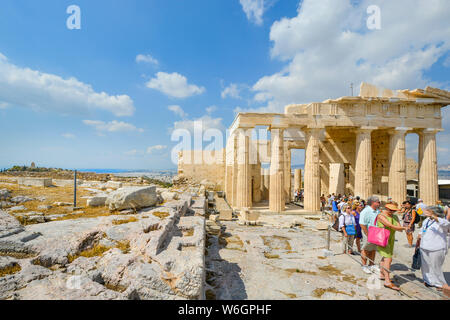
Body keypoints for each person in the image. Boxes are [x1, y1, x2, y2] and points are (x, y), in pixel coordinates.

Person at [416, 206, 450, 291]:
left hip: (436, 248)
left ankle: (440, 283)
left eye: (428, 211)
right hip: (424, 246)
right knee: (425, 266)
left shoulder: (442, 222)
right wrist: (418, 243)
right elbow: (422, 231)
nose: (426, 212)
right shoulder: (426, 220)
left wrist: (434, 217)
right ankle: (428, 281)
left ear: (434, 213)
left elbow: (446, 224)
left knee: (436, 266)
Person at [376, 202, 406, 291]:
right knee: (388, 258)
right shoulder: (381, 216)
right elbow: (390, 225)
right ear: (386, 208)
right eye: (390, 210)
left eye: (394, 210)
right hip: (382, 238)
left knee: (384, 257)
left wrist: (402, 228)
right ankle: (387, 281)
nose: (392, 212)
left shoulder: (395, 216)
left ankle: (382, 274)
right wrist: (404, 228)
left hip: (391, 238)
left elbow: (398, 228)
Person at [359, 195, 381, 274]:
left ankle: (371, 264)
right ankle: (364, 266)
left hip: (376, 232)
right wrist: (367, 234)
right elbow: (362, 224)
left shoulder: (378, 211)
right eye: (378, 202)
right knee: (365, 249)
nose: (379, 203)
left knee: (373, 249)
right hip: (368, 232)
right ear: (373, 203)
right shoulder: (365, 211)